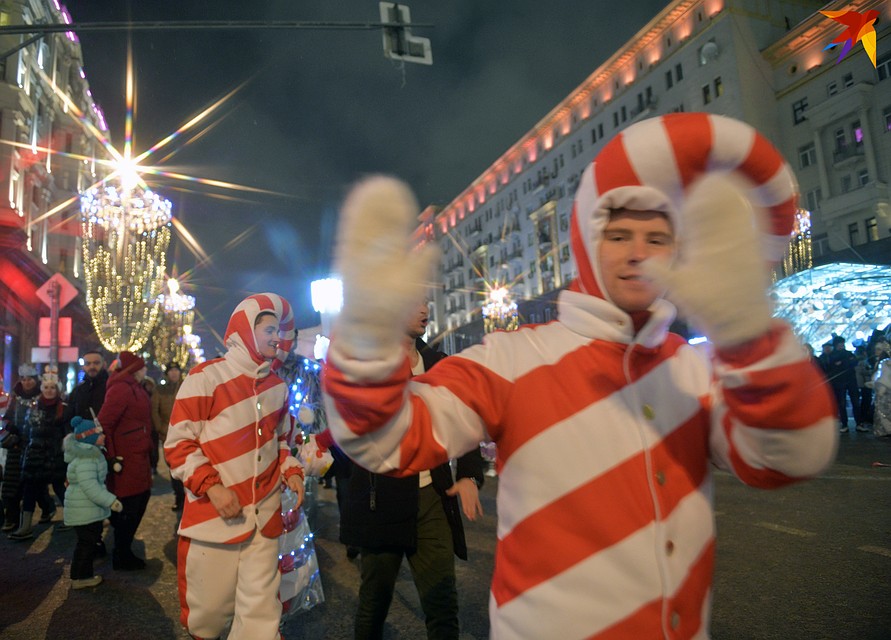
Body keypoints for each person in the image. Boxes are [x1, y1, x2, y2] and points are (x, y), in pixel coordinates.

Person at [322, 113, 838, 638]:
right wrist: (366, 337)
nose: (639, 252)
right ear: (588, 243)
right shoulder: (512, 360)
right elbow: (384, 441)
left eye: (657, 237)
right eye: (619, 234)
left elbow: (785, 458)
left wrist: (748, 331)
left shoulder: (692, 369)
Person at [323, 299, 484, 640]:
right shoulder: (371, 366)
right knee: (374, 605)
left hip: (433, 499)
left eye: (426, 302)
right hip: (380, 501)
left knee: (443, 606)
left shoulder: (439, 364)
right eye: (412, 301)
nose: (424, 310)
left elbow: (467, 417)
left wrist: (469, 475)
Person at [164, 293, 306, 640]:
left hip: (265, 519)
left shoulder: (278, 387)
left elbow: (282, 441)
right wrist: (213, 487)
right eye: (269, 329)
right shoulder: (205, 378)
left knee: (260, 616)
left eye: (279, 330)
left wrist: (291, 470)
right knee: (207, 614)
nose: (278, 336)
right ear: (245, 330)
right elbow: (178, 445)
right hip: (214, 520)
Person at [96, 350, 153, 570]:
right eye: (142, 366)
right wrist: (110, 457)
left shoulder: (134, 387)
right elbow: (105, 423)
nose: (145, 370)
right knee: (130, 504)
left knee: (139, 499)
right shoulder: (121, 388)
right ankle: (121, 553)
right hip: (125, 458)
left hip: (138, 455)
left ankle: (123, 549)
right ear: (134, 369)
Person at [63, 416, 124, 589]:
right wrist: (111, 501)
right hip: (83, 508)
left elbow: (96, 475)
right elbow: (90, 486)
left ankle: (81, 574)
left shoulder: (91, 453)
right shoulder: (87, 459)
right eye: (99, 433)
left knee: (88, 540)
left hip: (85, 508)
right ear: (89, 437)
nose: (103, 436)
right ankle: (81, 577)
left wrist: (112, 465)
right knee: (86, 543)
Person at [8, 367, 68, 540]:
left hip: (54, 456)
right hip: (35, 455)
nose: (49, 390)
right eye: (46, 387)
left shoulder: (63, 409)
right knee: (29, 488)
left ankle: (70, 517)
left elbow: (66, 434)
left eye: (53, 387)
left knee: (59, 488)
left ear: (57, 390)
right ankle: (25, 525)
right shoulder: (33, 407)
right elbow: (27, 430)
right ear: (42, 389)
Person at [1, 364, 56, 533]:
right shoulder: (15, 397)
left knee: (33, 483)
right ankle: (11, 518)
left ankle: (47, 507)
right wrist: (9, 436)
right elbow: (8, 418)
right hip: (17, 445)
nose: (26, 382)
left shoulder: (43, 396)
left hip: (35, 446)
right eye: (23, 379)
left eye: (30, 379)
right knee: (11, 483)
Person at [152, 362, 185, 510]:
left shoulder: (187, 385)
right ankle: (179, 496)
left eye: (176, 370)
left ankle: (189, 497)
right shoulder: (160, 390)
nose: (173, 373)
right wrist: (160, 428)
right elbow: (154, 410)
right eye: (171, 370)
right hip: (167, 434)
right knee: (173, 466)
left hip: (186, 432)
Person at [65, 350, 109, 430]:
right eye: (87, 364)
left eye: (96, 363)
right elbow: (69, 416)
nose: (92, 367)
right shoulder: (78, 390)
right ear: (83, 367)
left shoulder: (110, 388)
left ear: (104, 365)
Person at [828, 335, 862, 432]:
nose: (841, 346)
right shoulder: (834, 355)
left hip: (850, 381)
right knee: (842, 403)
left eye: (842, 344)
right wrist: (846, 362)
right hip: (841, 382)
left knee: (855, 402)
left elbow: (853, 362)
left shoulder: (846, 354)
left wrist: (842, 362)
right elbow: (848, 363)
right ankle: (845, 424)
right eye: (839, 344)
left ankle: (858, 423)